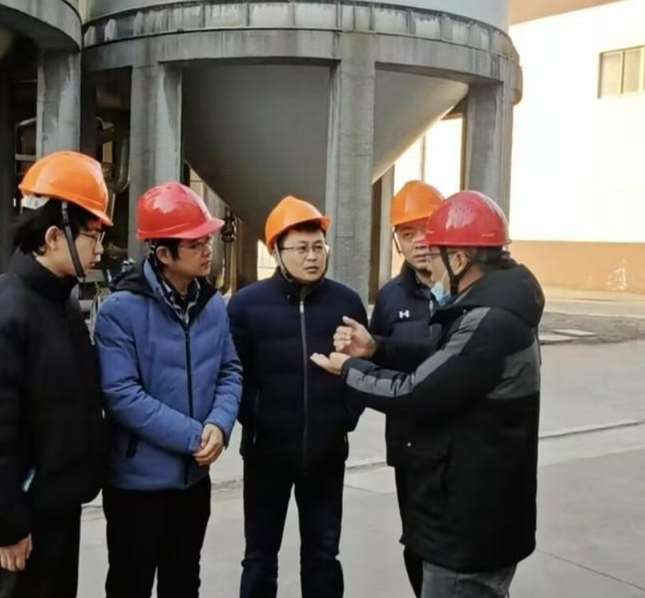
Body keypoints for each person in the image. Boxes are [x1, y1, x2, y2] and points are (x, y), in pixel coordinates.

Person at [313, 191, 543, 598]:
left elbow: (416, 391)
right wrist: (377, 348)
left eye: (436, 254)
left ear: (460, 260)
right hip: (473, 506)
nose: (431, 267)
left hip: (467, 525)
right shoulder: (496, 305)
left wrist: (349, 369)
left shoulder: (489, 322)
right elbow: (441, 359)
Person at [0, 151, 111, 598]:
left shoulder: (61, 305)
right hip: (22, 516)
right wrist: (4, 525)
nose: (100, 249)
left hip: (58, 505)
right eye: (93, 235)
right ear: (54, 236)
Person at [94, 182, 242, 598]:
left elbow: (230, 370)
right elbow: (122, 395)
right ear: (163, 254)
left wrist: (220, 424)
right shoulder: (120, 311)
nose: (208, 249)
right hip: (137, 486)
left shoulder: (212, 305)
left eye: (207, 239)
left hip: (193, 483)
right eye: (196, 244)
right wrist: (196, 436)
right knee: (130, 584)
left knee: (184, 582)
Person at [228, 196, 368, 598]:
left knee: (323, 555)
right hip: (266, 454)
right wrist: (256, 418)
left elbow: (363, 367)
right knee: (259, 557)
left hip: (327, 454)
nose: (312, 256)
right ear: (276, 250)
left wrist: (345, 416)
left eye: (318, 246)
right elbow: (233, 373)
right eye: (302, 248)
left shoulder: (346, 302)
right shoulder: (247, 305)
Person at [370, 180, 443, 597]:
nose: (419, 241)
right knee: (415, 541)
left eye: (427, 228)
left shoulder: (467, 288)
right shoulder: (390, 298)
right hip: (410, 444)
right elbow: (376, 364)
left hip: (458, 442)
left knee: (458, 542)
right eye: (407, 233)